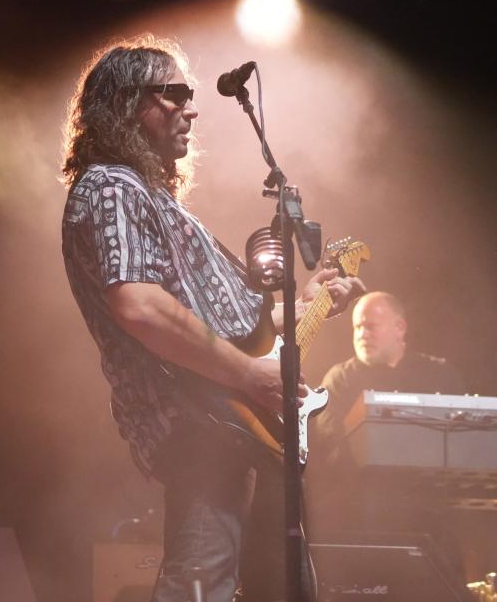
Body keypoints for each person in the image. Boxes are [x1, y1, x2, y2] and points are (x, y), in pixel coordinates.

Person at [60, 36, 364, 602]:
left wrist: (307, 304)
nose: (191, 108)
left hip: (234, 418)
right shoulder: (110, 187)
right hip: (201, 420)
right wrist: (249, 378)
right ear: (126, 104)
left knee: (272, 582)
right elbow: (140, 306)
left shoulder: (151, 196)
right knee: (200, 579)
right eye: (173, 93)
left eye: (191, 94)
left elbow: (234, 326)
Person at [315, 291, 466, 448]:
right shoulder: (339, 379)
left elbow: (462, 442)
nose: (362, 335)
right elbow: (329, 445)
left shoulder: (440, 374)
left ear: (400, 327)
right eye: (357, 327)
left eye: (370, 326)